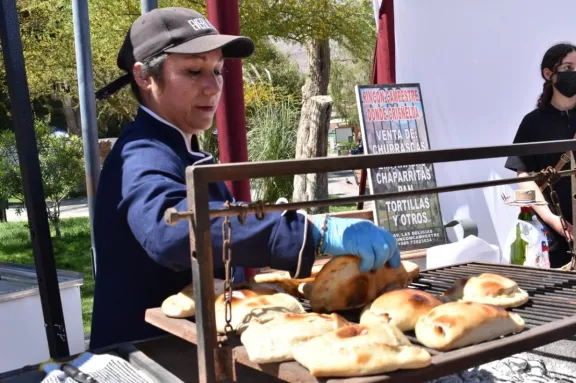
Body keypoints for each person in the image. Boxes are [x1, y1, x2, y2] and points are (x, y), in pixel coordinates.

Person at [89, 7, 401, 349]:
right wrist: (310, 233)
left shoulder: (177, 145)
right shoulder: (143, 152)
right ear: (144, 76)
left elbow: (224, 231)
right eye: (194, 71)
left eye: (218, 70)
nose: (212, 87)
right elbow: (171, 231)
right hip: (152, 355)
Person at [505, 42, 576, 268]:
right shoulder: (532, 123)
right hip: (551, 238)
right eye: (568, 68)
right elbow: (523, 178)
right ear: (549, 74)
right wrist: (553, 220)